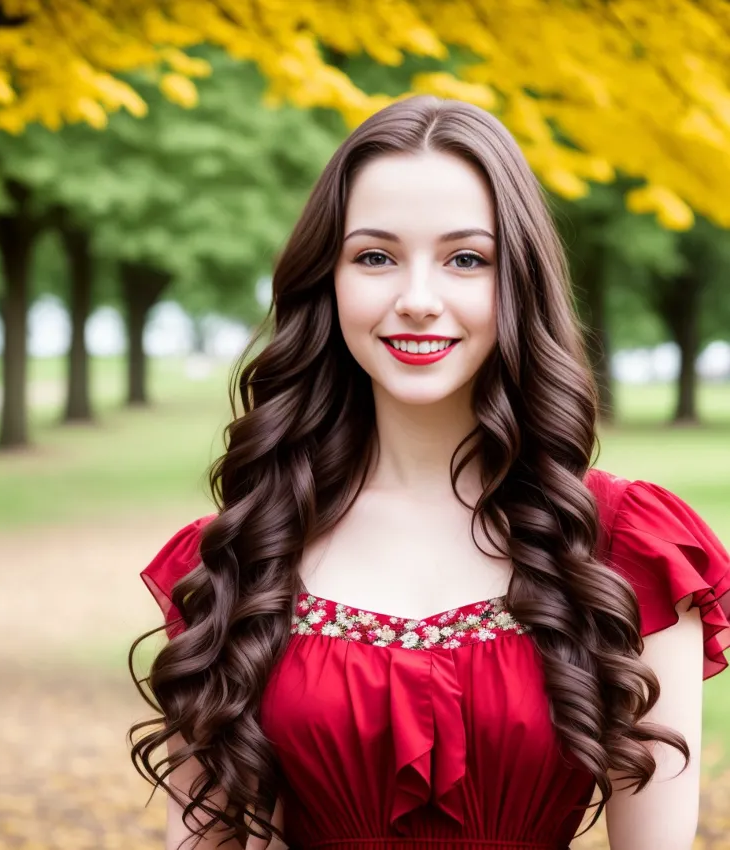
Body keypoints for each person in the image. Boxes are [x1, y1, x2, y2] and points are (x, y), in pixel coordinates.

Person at [128, 96, 730, 850]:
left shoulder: (626, 548)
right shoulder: (238, 558)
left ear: (518, 283)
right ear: (330, 280)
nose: (417, 300)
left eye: (466, 259)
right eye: (375, 256)